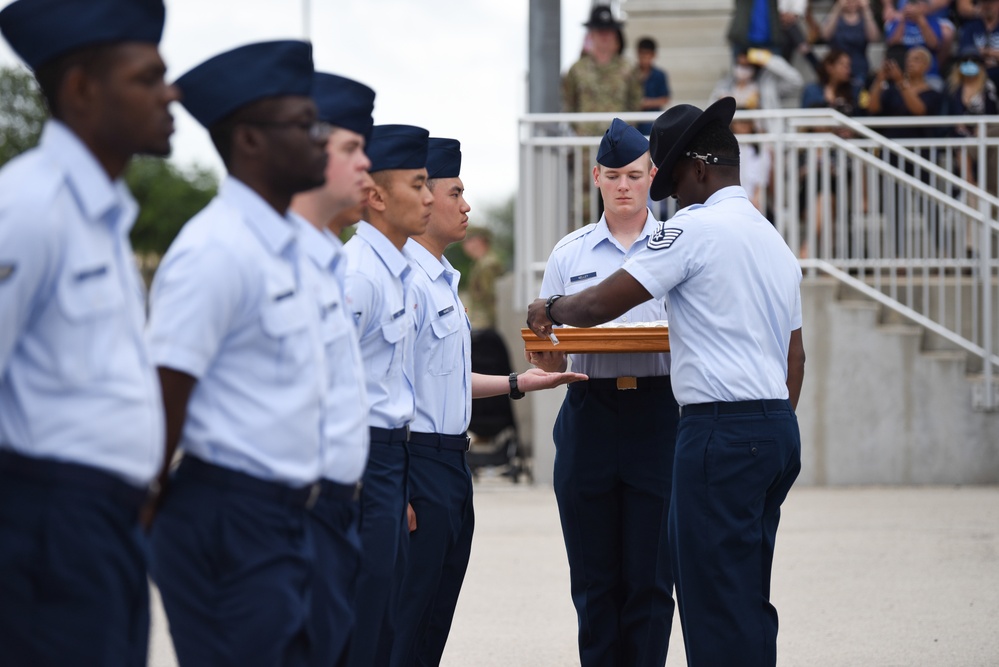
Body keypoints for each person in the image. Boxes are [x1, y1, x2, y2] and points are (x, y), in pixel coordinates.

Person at [526, 97, 806, 667]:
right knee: (747, 598)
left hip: (714, 431)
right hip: (772, 425)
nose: (669, 194)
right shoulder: (771, 238)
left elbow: (604, 301)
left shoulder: (691, 230)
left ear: (699, 169)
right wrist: (772, 424)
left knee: (708, 602)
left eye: (670, 175)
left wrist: (550, 306)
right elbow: (795, 354)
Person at [0, 1, 176, 664]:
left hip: (104, 525)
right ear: (80, 89)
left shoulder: (99, 215)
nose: (170, 93)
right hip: (46, 527)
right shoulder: (29, 206)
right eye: (147, 78)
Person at [145, 40, 331, 666]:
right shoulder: (216, 250)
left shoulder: (282, 246)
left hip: (283, 517)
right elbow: (165, 391)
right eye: (304, 125)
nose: (321, 140)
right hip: (227, 520)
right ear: (249, 140)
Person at [392, 137, 586, 667]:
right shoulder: (402, 280)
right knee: (401, 627)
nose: (466, 206)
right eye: (455, 193)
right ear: (423, 200)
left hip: (451, 464)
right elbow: (381, 390)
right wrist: (394, 484)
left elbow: (445, 380)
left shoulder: (442, 280)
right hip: (415, 462)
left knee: (431, 625)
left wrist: (519, 384)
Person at [530, 118, 679, 667]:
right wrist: (541, 352)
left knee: (650, 578)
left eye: (634, 175)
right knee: (593, 582)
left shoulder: (675, 243)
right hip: (590, 410)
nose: (623, 185)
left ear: (652, 176)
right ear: (595, 176)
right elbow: (551, 351)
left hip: (658, 412)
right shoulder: (570, 253)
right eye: (613, 174)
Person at [289, 71, 377, 667]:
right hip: (274, 515)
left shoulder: (322, 261)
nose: (366, 166)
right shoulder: (230, 253)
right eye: (351, 149)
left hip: (340, 504)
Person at [341, 124, 431, 667]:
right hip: (362, 458)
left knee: (383, 616)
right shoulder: (360, 275)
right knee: (359, 616)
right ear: (376, 197)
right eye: (418, 185)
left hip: (389, 457)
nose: (428, 197)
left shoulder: (395, 271)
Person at [562, 4, 642, 138]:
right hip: (585, 144)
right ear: (591, 34)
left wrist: (626, 130)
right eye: (600, 30)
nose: (605, 35)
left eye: (609, 31)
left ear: (616, 34)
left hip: (618, 144)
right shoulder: (577, 69)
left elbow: (635, 102)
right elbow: (569, 103)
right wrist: (579, 130)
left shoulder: (629, 68)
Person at [822, 0, 883, 89]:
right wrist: (837, 8)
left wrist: (866, 10)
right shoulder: (835, 19)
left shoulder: (864, 19)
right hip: (837, 67)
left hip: (859, 67)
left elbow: (874, 38)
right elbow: (825, 35)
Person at [460, 225, 503, 330]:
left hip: (484, 325)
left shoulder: (487, 265)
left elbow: (490, 298)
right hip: (482, 323)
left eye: (467, 241)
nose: (464, 246)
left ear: (478, 241)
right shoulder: (481, 264)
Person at [957, 0, 999, 90]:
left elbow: (974, 51)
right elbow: (965, 52)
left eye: (991, 3)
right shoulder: (970, 27)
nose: (987, 6)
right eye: (984, 3)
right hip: (976, 71)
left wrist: (985, 52)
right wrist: (994, 54)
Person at [636, 37, 671, 135]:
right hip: (635, 120)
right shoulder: (631, 74)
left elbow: (665, 98)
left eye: (647, 55)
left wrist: (647, 103)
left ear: (653, 55)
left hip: (653, 120)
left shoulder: (659, 75)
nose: (644, 59)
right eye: (642, 55)